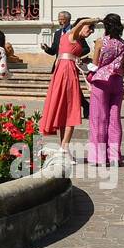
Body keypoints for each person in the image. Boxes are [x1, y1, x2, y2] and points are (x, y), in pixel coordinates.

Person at [40, 17, 96, 156]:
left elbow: (70, 54)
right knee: (72, 109)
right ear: (80, 26)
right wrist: (95, 19)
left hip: (65, 70)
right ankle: (64, 148)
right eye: (89, 28)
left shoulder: (72, 37)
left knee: (65, 109)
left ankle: (63, 147)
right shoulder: (72, 34)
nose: (91, 32)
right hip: (67, 72)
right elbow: (81, 23)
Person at [87, 13, 124, 167]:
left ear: (105, 26)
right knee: (114, 120)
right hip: (117, 82)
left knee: (98, 120)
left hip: (101, 82)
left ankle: (97, 157)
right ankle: (114, 157)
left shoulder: (100, 42)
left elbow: (95, 64)